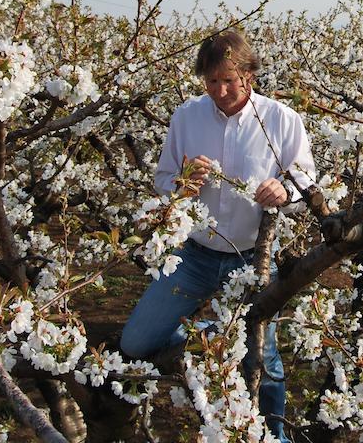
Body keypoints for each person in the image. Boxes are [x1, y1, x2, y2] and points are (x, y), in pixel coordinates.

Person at [121, 30, 315, 442]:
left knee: (265, 357)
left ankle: (273, 436)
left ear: (250, 74)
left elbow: (305, 181)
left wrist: (284, 190)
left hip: (251, 258)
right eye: (212, 81)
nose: (221, 90)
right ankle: (214, 334)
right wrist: (183, 184)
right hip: (193, 255)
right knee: (136, 343)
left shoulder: (281, 120)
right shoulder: (186, 117)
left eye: (230, 79)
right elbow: (163, 179)